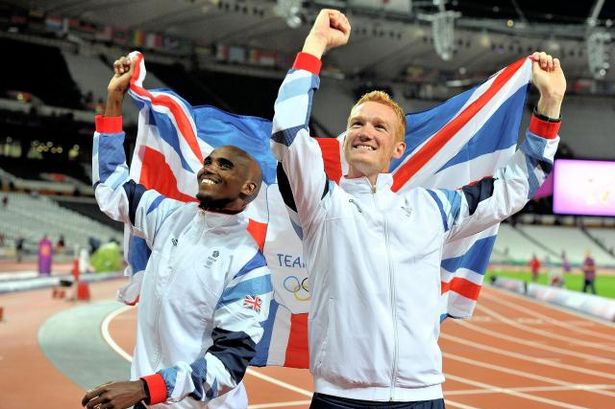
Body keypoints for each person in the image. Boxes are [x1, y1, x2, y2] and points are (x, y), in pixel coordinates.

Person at [271, 9, 565, 408]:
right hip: (341, 398)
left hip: (422, 397)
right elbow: (289, 133)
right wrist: (315, 45)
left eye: (379, 126)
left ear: (398, 150)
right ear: (344, 141)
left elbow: (514, 187)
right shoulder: (322, 204)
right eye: (357, 124)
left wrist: (549, 104)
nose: (365, 131)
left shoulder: (432, 208)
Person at [81, 55, 272, 409]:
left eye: (224, 165)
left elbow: (227, 367)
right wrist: (114, 101)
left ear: (249, 189)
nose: (209, 169)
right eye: (208, 162)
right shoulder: (169, 216)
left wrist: (143, 388)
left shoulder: (248, 266)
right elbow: (111, 187)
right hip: (146, 399)